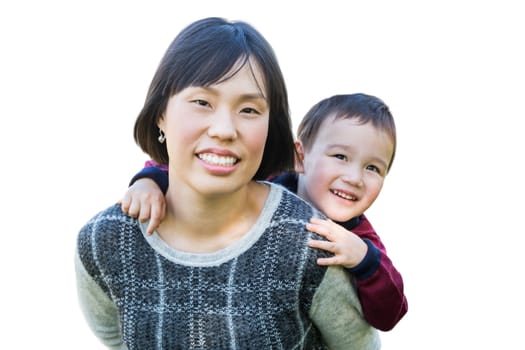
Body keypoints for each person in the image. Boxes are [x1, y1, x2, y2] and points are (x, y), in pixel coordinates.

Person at [75, 17, 379, 350]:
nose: (224, 129)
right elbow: (114, 338)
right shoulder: (106, 242)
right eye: (202, 102)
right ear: (161, 113)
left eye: (248, 109)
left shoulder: (309, 243)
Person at [123, 93, 408, 332]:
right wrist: (148, 181)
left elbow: (391, 313)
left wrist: (364, 259)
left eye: (373, 168)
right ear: (300, 157)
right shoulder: (267, 182)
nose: (354, 177)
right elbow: (197, 172)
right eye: (340, 157)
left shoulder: (360, 238)